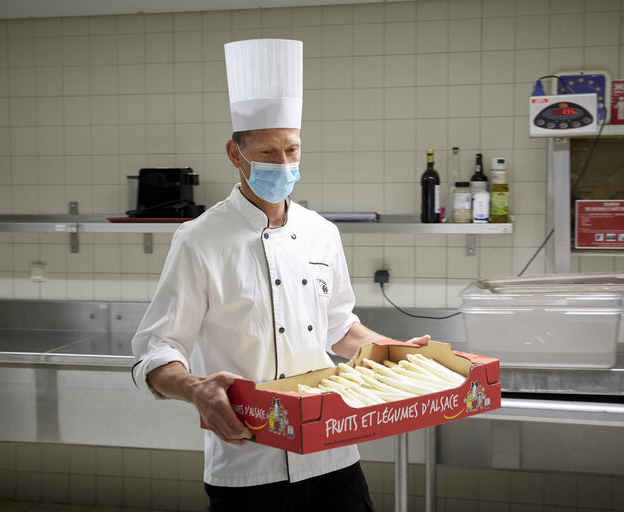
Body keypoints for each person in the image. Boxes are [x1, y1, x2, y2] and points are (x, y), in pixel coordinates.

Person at [131, 38, 428, 512]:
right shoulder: (199, 239)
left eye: (292, 150)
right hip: (248, 460)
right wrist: (194, 389)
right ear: (236, 153)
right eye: (269, 153)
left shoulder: (322, 233)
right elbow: (158, 348)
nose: (285, 165)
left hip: (333, 449)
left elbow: (339, 326)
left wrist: (389, 352)